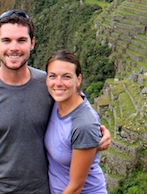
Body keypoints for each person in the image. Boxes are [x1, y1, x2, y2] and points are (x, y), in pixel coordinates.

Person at [0, 10, 111, 194]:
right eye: (6, 40)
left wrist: (98, 133)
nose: (14, 48)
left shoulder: (50, 85)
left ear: (32, 43)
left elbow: (79, 110)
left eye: (21, 40)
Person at [44, 50, 107, 194]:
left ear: (78, 80)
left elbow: (75, 188)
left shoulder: (83, 125)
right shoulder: (57, 103)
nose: (58, 83)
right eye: (52, 76)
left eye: (66, 77)